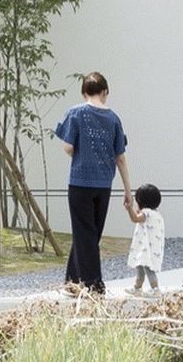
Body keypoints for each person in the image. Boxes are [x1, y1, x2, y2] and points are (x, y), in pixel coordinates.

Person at [54, 70, 133, 294]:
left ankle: (93, 284)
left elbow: (68, 147)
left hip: (80, 182)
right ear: (105, 91)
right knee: (90, 233)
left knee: (84, 232)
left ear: (83, 92)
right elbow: (120, 157)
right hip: (104, 183)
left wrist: (81, 153)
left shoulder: (76, 113)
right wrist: (128, 190)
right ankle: (73, 281)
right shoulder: (114, 119)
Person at [125, 183, 165, 294]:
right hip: (149, 247)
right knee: (140, 267)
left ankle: (155, 288)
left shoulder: (146, 213)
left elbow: (135, 219)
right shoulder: (156, 214)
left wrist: (129, 209)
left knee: (147, 268)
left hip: (145, 248)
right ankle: (137, 287)